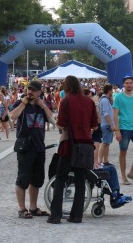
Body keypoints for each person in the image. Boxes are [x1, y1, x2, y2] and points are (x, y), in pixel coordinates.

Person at [48, 76, 98, 224]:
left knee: (60, 178)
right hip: (86, 145)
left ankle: (56, 216)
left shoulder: (66, 101)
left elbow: (61, 123)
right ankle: (77, 216)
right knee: (80, 180)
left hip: (69, 144)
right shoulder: (89, 102)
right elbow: (95, 125)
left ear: (66, 86)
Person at [10, 80, 55, 219]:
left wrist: (43, 105)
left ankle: (33, 207)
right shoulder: (20, 103)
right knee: (23, 178)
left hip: (39, 147)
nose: (29, 92)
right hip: (25, 148)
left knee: (37, 180)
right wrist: (23, 103)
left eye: (33, 90)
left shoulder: (41, 106)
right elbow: (12, 116)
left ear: (39, 92)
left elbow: (53, 120)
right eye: (28, 89)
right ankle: (22, 209)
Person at [113, 75, 133, 185]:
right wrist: (117, 131)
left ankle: (131, 172)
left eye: (131, 83)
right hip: (123, 128)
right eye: (127, 83)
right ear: (123, 84)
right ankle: (123, 176)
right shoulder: (118, 97)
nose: (129, 85)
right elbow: (115, 114)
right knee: (123, 152)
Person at [99, 84, 115, 166]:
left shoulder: (107, 99)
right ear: (109, 91)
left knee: (107, 143)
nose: (112, 91)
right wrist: (111, 124)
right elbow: (106, 114)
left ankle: (105, 161)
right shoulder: (104, 100)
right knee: (104, 143)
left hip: (107, 124)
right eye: (111, 90)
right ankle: (99, 161)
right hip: (106, 124)